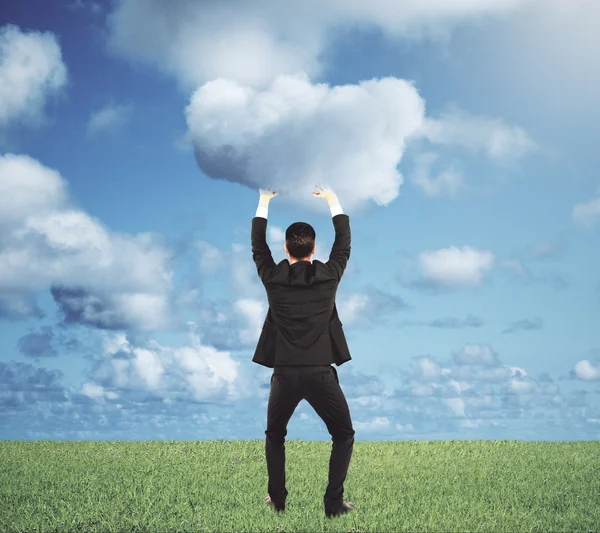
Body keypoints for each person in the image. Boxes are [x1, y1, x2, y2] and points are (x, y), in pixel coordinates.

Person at [251, 184, 356, 518]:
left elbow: (257, 247)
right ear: (314, 249)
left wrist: (263, 201)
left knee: (274, 436)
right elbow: (344, 244)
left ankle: (277, 500)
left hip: (284, 374)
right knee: (343, 434)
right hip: (321, 374)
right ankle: (333, 504)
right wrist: (331, 199)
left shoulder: (272, 277)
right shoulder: (328, 276)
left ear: (286, 248)